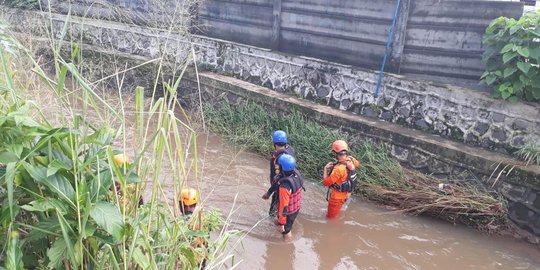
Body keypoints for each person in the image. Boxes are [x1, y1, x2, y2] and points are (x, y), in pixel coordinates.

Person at [262, 130, 296, 216]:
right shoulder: (290, 150)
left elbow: (278, 179)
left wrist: (269, 192)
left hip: (281, 188)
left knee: (273, 213)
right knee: (287, 207)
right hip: (292, 185)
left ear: (274, 143)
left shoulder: (278, 159)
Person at [323, 140, 359, 219]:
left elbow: (326, 183)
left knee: (331, 218)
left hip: (336, 197)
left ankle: (335, 229)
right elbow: (357, 164)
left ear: (336, 153)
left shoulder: (338, 169)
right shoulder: (351, 159)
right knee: (337, 213)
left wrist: (325, 169)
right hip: (347, 194)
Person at [273, 154, 304, 241]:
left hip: (288, 212)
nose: (276, 167)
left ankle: (287, 246)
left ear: (282, 168)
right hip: (295, 207)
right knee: (276, 221)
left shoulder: (285, 186)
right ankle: (279, 229)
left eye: (278, 166)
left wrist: (282, 223)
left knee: (286, 231)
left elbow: (284, 205)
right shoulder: (296, 174)